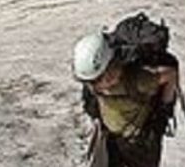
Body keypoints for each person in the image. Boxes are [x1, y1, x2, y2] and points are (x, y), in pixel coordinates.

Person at [73, 32, 179, 167]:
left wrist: (165, 108)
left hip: (142, 143)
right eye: (90, 82)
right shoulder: (95, 83)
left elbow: (170, 74)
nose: (93, 87)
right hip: (113, 139)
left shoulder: (138, 79)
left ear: (110, 70)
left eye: (97, 81)